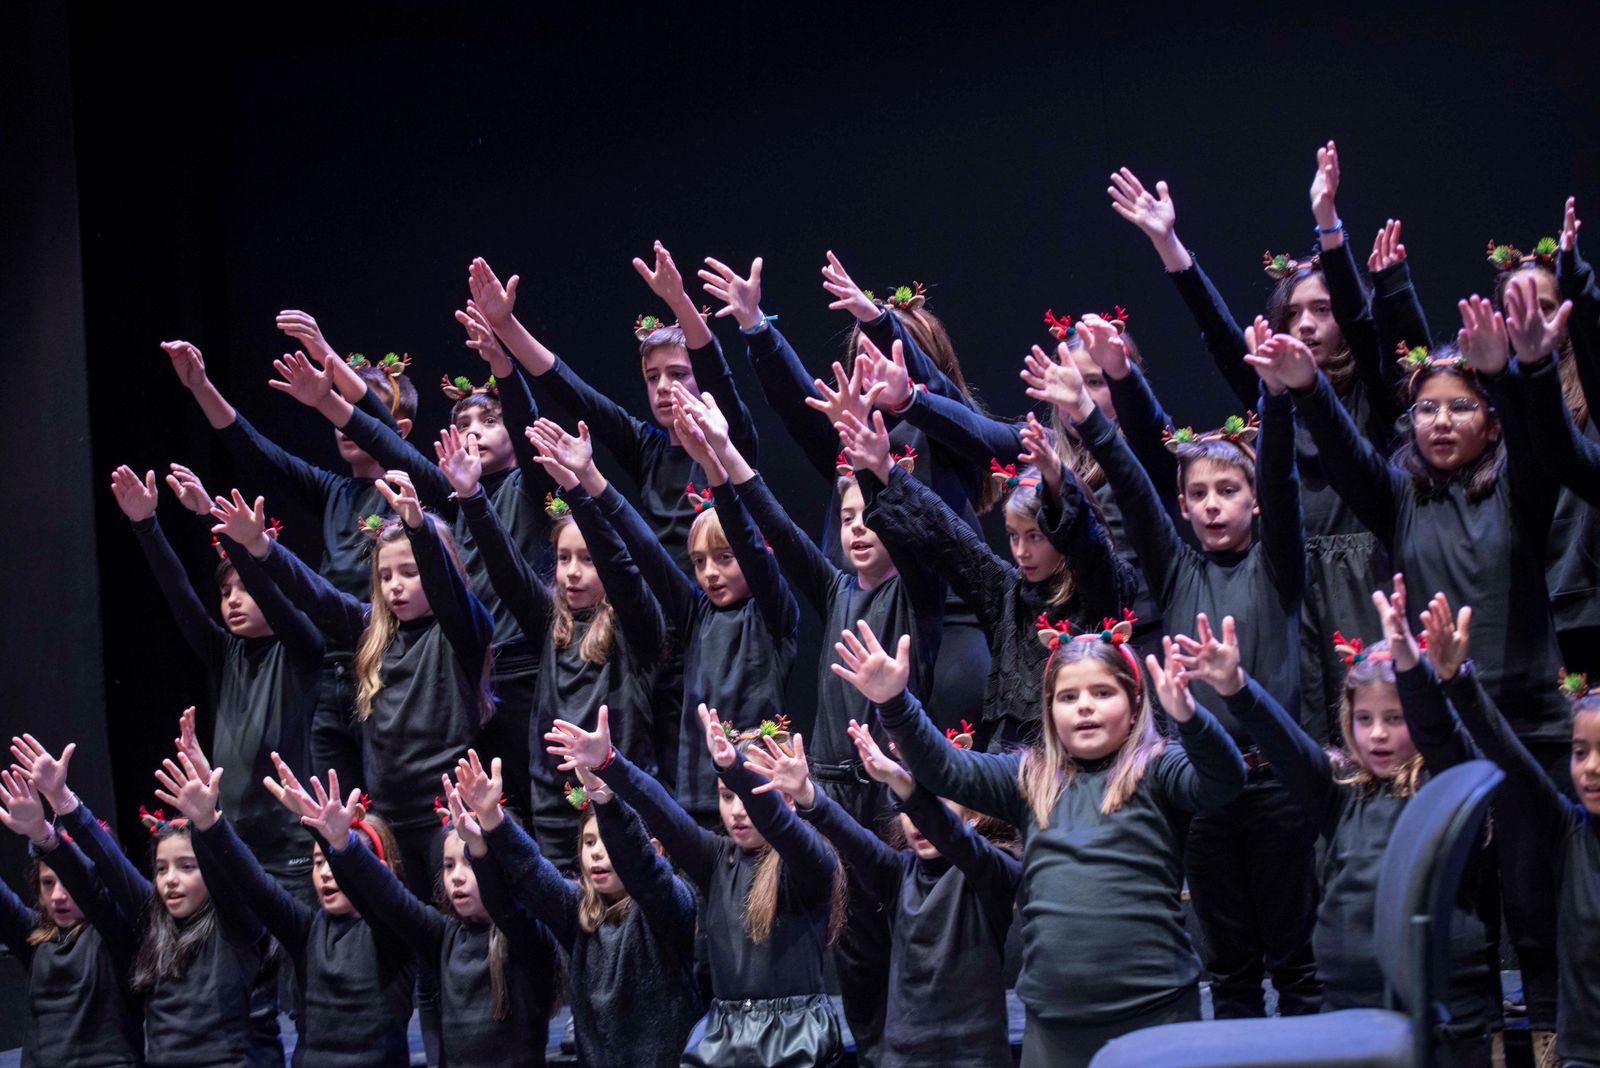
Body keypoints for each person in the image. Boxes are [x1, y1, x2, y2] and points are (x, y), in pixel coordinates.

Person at [830, 618, 1243, 1066]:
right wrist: (895, 702)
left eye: (1103, 693)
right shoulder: (1029, 778)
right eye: (1068, 697)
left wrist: (1192, 720)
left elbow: (1224, 780)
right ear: (1049, 710)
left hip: (1155, 1016)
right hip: (1055, 1025)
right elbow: (945, 768)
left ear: (1135, 699)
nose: (1084, 707)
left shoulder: (1159, 768)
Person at [546, 705, 847, 1067]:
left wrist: (734, 770)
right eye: (725, 795)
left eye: (747, 794)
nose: (736, 810)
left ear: (786, 797)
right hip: (724, 1037)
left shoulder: (811, 860)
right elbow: (660, 812)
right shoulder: (716, 858)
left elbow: (780, 824)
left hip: (795, 1039)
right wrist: (609, 765)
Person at [747, 712, 1021, 1067]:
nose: (916, 820)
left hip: (974, 1057)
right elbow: (851, 837)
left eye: (934, 804)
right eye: (908, 810)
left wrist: (904, 785)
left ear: (971, 815)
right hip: (903, 1057)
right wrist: (805, 793)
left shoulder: (994, 869)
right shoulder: (899, 873)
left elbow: (958, 842)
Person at [110, 465, 320, 899]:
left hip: (295, 851)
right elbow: (180, 596)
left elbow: (275, 592)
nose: (234, 601)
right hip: (234, 845)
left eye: (245, 589)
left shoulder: (303, 648)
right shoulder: (225, 652)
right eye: (226, 593)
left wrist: (211, 514)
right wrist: (146, 526)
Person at [12, 734, 283, 1067]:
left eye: (186, 867)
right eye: (160, 868)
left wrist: (209, 820)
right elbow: (106, 872)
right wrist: (59, 803)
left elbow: (237, 872)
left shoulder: (236, 926)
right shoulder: (153, 923)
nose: (170, 879)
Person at [454, 749, 702, 1068]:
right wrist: (492, 818)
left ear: (652, 850)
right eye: (588, 843)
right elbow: (531, 869)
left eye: (607, 843)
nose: (597, 853)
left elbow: (645, 872)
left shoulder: (671, 905)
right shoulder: (576, 911)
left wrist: (606, 799)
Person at [0, 762, 143, 1066]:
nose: (59, 896)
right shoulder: (35, 937)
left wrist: (44, 833)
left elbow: (94, 895)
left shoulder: (118, 934)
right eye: (48, 883)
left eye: (69, 884)